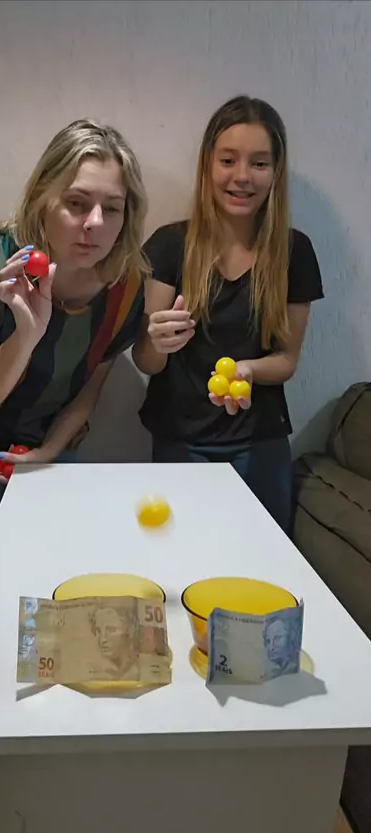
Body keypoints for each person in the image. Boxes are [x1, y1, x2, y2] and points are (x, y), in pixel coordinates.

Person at [0, 119, 148, 637]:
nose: (94, 223)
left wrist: (47, 453)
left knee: (47, 599)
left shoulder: (126, 286)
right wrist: (27, 333)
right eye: (76, 203)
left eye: (111, 208)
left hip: (46, 446)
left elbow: (88, 392)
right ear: (44, 198)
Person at [133, 95, 323, 533]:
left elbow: (287, 360)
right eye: (228, 160)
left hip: (260, 446)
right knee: (180, 560)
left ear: (275, 172)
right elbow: (146, 361)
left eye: (259, 163)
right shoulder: (169, 245)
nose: (242, 176)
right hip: (180, 441)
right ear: (207, 166)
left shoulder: (294, 251)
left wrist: (248, 370)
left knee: (262, 565)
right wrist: (157, 341)